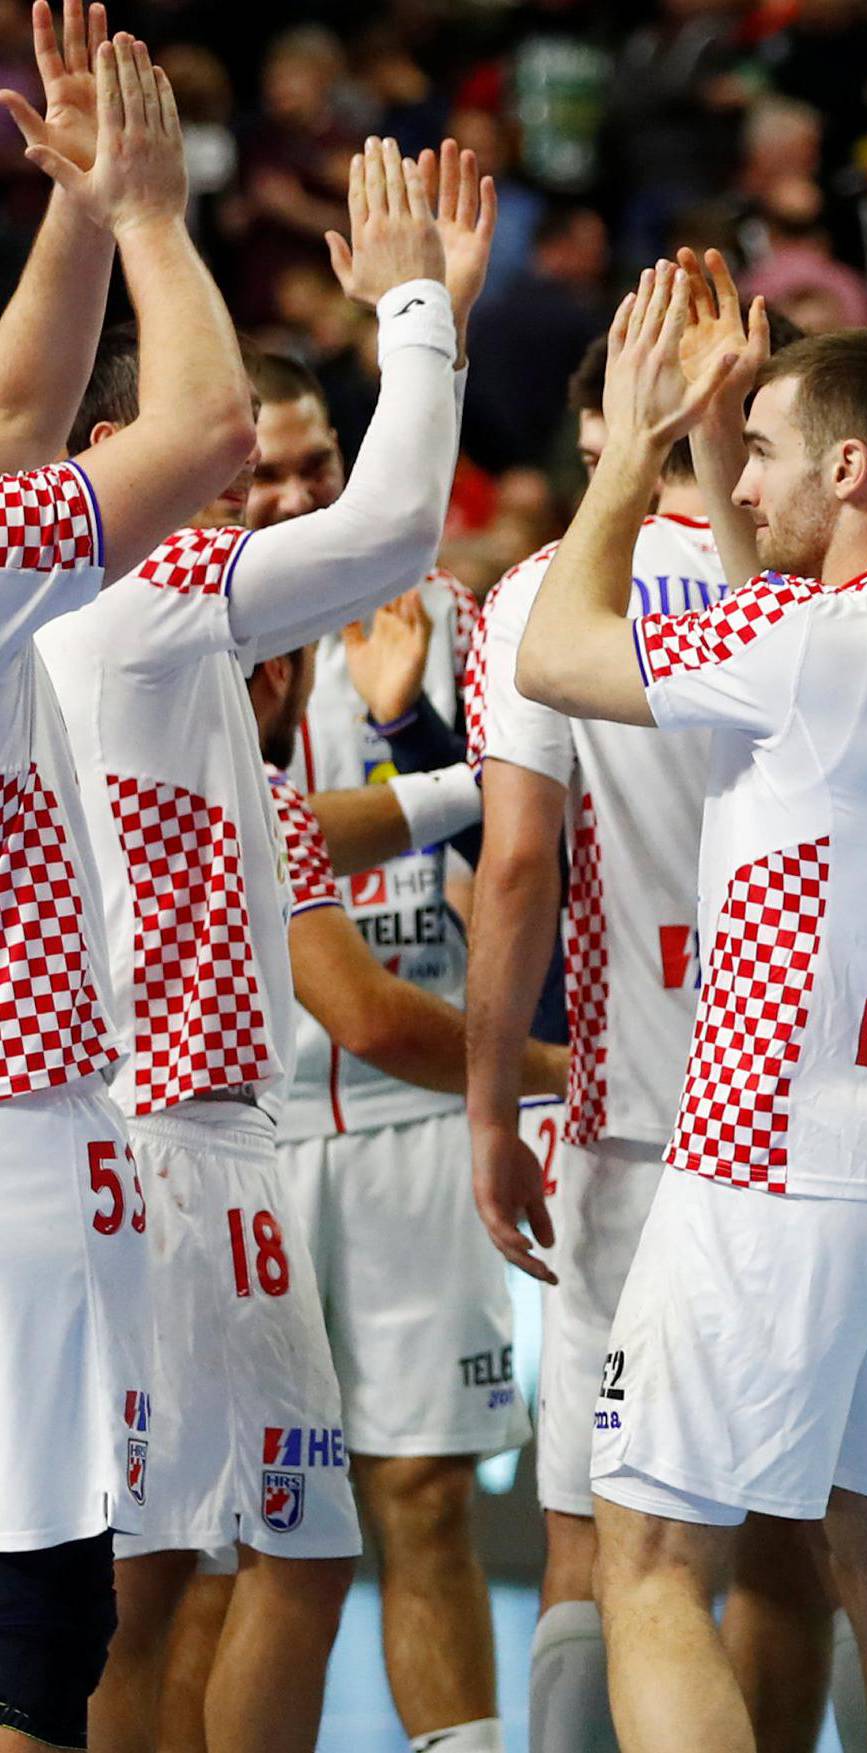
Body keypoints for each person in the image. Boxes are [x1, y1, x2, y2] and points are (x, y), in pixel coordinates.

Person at [512, 261, 867, 1753]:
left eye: (761, 455)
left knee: (650, 1560)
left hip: (772, 1154)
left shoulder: (813, 651)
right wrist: (716, 434)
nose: (736, 486)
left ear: (847, 465)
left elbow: (556, 647)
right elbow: (790, 630)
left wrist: (628, 450)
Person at [38, 134, 485, 1753]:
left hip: (188, 1137)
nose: (225, 484)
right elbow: (390, 531)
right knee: (178, 1577)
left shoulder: (126, 649)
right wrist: (419, 308)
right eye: (193, 454)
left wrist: (446, 784)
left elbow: (276, 845)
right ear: (106, 456)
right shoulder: (136, 587)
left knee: (272, 1557)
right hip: (166, 1141)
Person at [465, 314, 855, 1753]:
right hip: (810, 1121)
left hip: (632, 1124)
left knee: (602, 1543)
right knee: (802, 1544)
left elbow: (517, 868)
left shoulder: (534, 605)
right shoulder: (825, 595)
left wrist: (491, 1109)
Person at [247, 219, 544, 1743]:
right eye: (269, 473)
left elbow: (521, 829)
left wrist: (432, 747)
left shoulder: (441, 623)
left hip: (425, 1141)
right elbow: (297, 840)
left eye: (319, 465)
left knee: (425, 1500)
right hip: (260, 1136)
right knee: (251, 1538)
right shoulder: (174, 643)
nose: (299, 497)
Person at [0, 8, 253, 1747]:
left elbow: (25, 403)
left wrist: (75, 209)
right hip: (14, 1108)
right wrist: (151, 213)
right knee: (37, 1601)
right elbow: (211, 432)